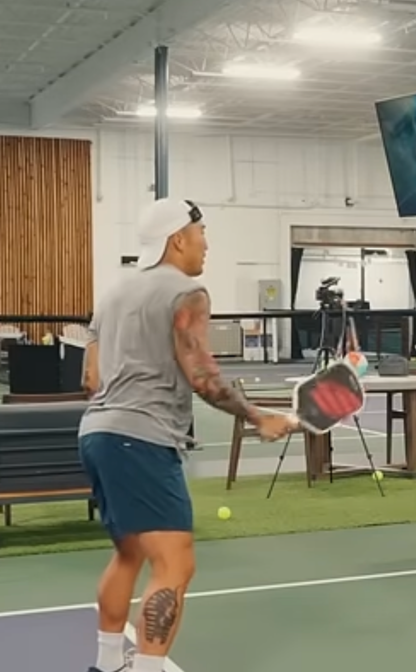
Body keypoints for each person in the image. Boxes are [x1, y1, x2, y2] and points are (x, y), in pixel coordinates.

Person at [79, 198, 295, 672]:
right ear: (178, 239)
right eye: (201, 233)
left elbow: (90, 379)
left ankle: (107, 664)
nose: (206, 244)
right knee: (175, 565)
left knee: (129, 553)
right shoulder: (187, 292)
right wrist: (257, 417)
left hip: (96, 433)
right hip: (142, 439)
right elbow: (203, 378)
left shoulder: (113, 294)